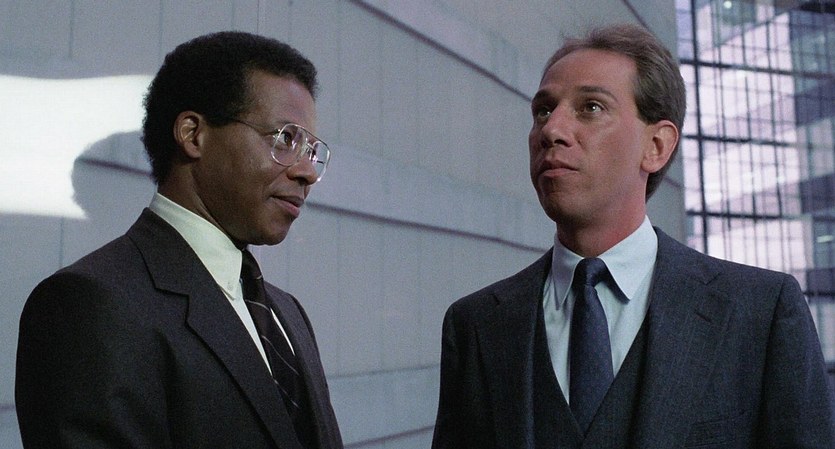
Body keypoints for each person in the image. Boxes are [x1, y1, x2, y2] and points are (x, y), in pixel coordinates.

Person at [431, 23, 834, 448]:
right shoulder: (476, 325)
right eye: (544, 110)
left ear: (656, 146)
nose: (552, 130)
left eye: (590, 107)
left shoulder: (761, 313)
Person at [16, 31, 343, 449]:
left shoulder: (288, 313)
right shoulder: (91, 305)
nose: (307, 172)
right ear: (192, 134)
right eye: (285, 139)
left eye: (312, 151)